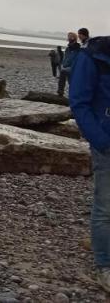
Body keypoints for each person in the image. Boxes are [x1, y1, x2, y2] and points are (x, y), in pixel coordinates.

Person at [68, 32, 110, 291]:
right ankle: (105, 264)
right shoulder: (93, 56)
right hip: (106, 144)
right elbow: (79, 102)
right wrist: (101, 141)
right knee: (106, 206)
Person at [59, 32, 81, 96]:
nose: (69, 38)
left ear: (74, 38)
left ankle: (73, 94)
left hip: (73, 67)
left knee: (71, 81)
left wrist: (72, 67)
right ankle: (61, 92)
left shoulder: (78, 48)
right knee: (66, 78)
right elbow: (65, 57)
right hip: (66, 66)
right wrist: (63, 64)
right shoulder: (68, 48)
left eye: (71, 36)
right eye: (68, 36)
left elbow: (77, 59)